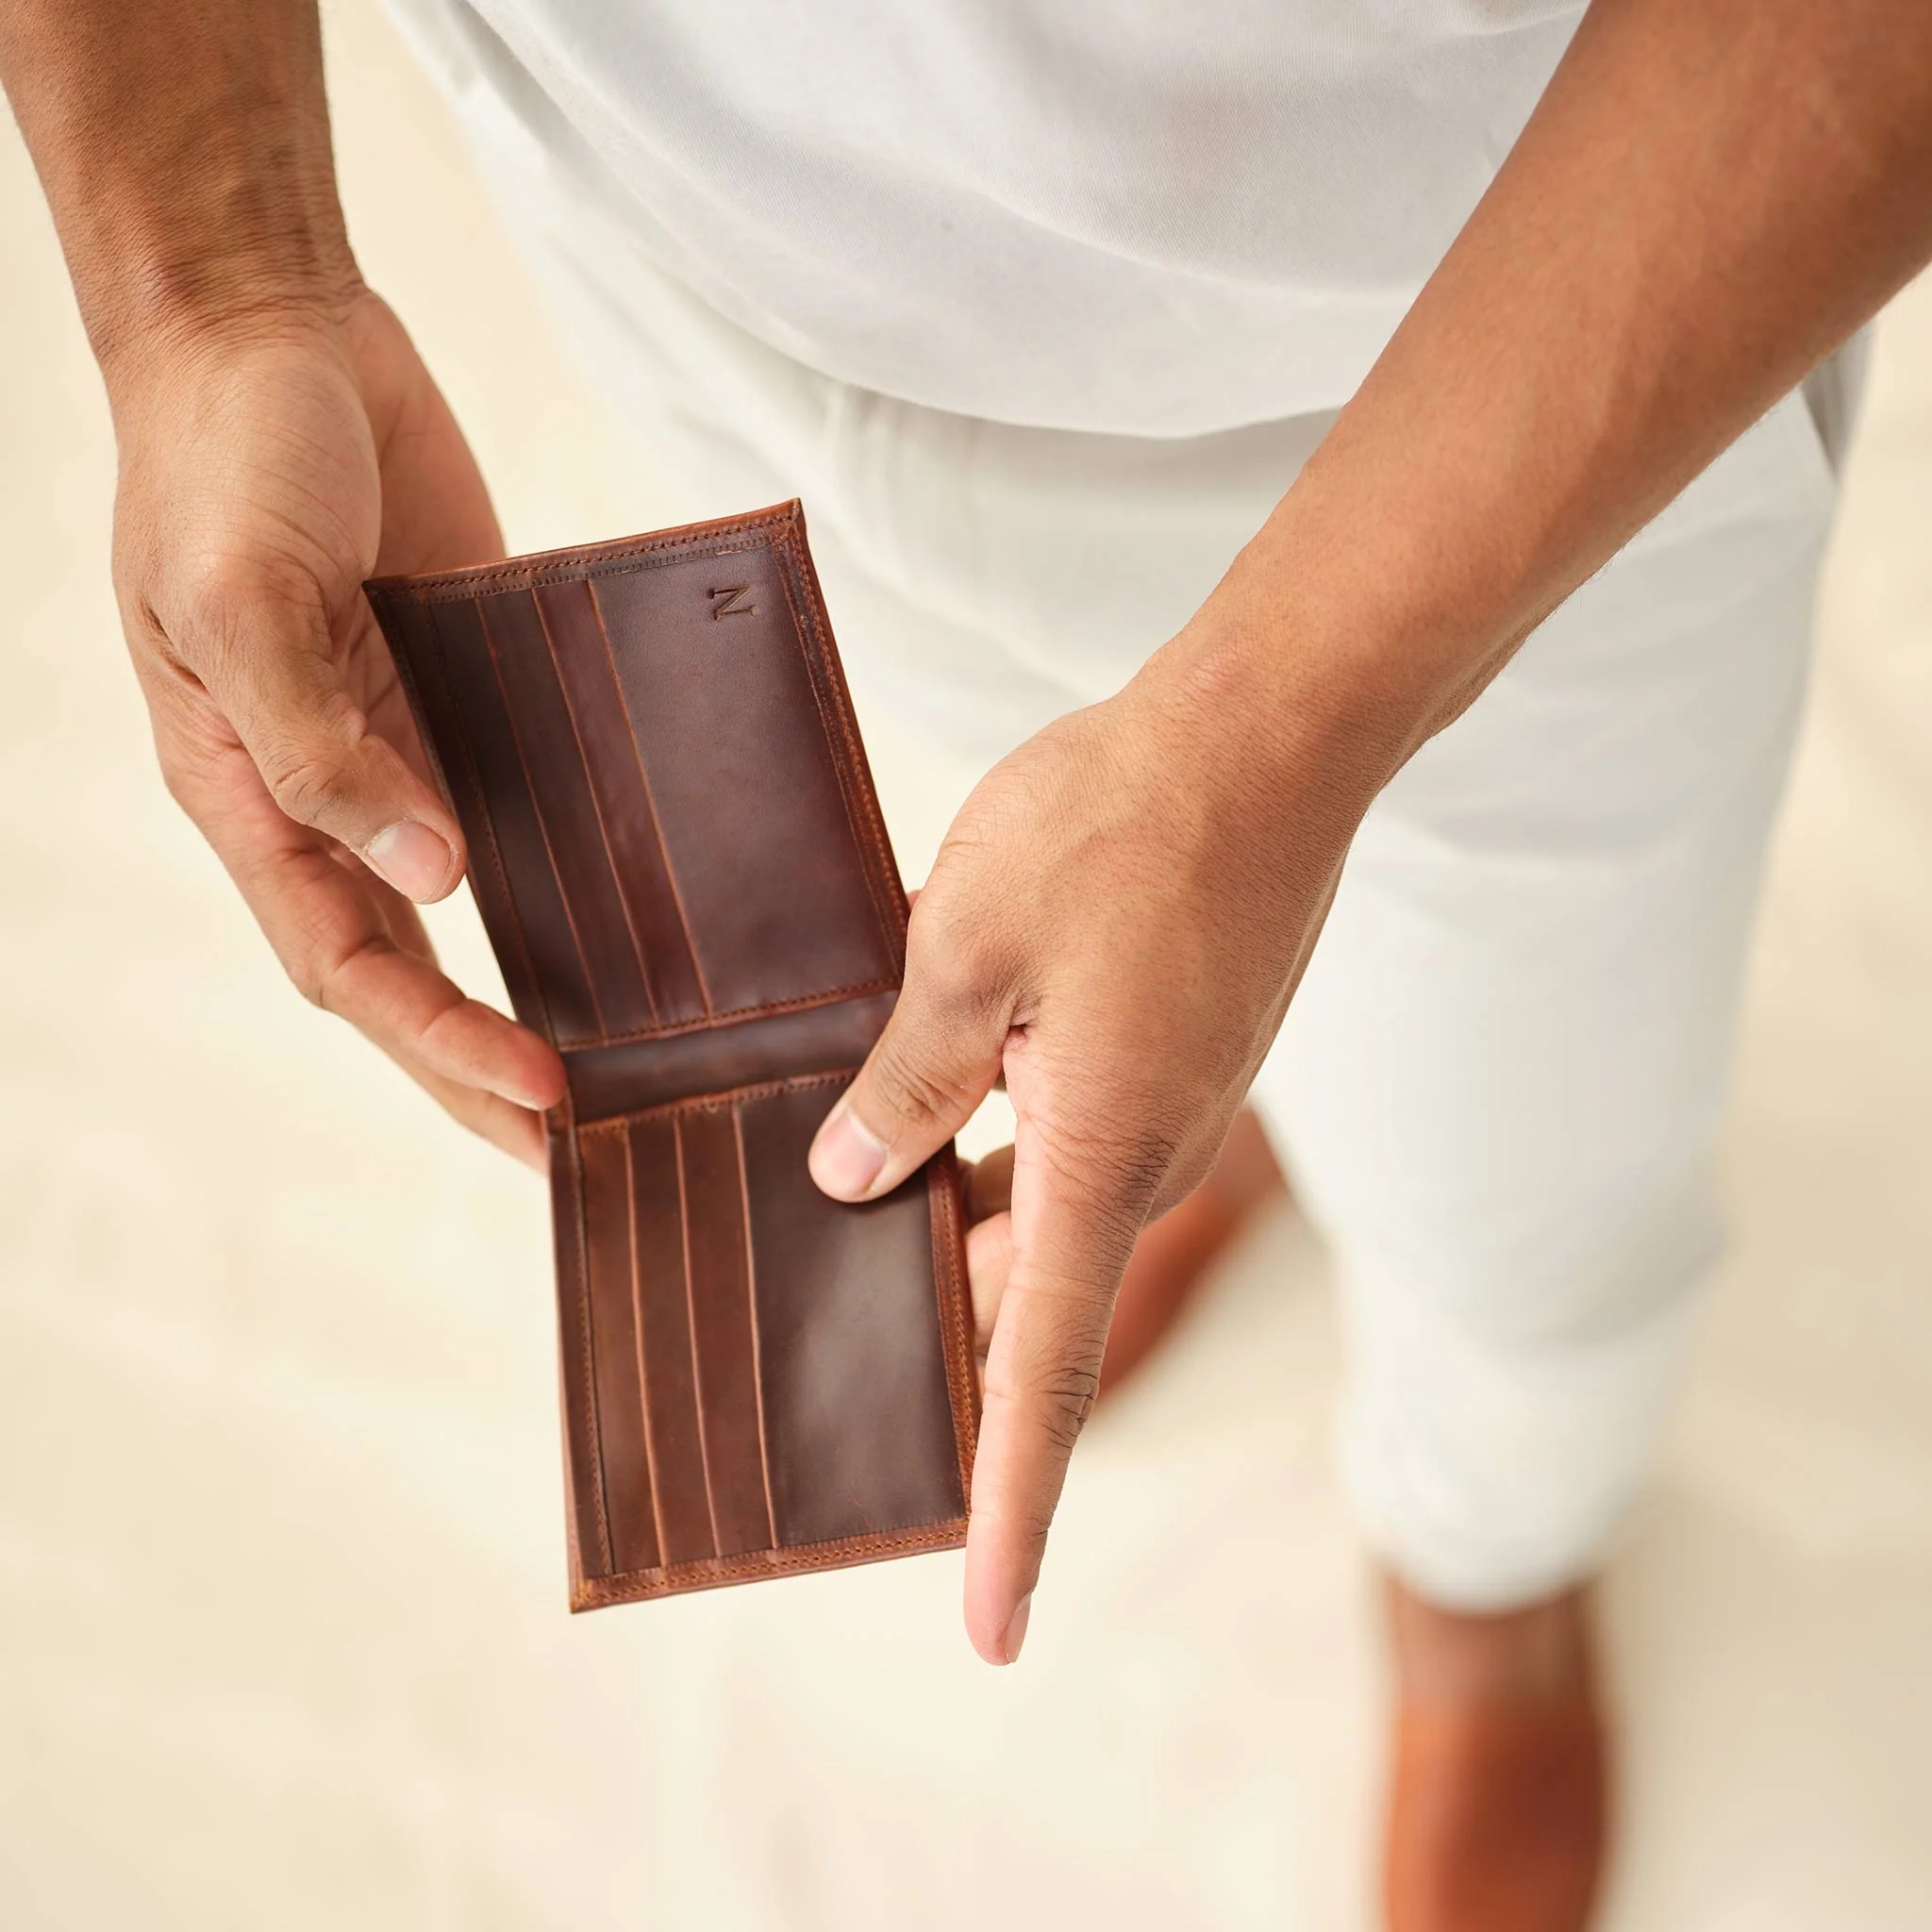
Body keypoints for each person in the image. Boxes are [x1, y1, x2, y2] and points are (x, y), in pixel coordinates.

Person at [4, 3, 1929, 1925]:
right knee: (1027, 836)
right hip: (692, 267)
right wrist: (204, 275)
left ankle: (1488, 1578)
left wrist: (1258, 751)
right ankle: (1231, 1079)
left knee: (1530, 1184)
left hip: (1515, 356)